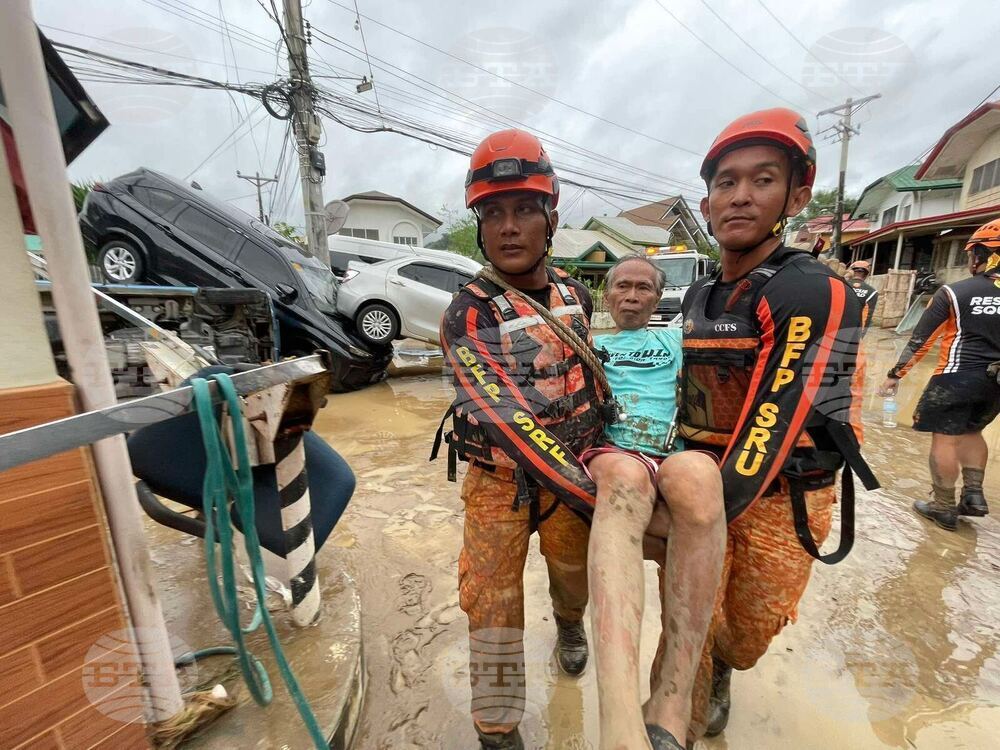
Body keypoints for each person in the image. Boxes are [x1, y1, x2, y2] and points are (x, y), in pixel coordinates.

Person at [678, 108, 879, 737]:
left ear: (795, 197)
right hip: (702, 480)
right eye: (726, 182)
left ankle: (724, 666)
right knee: (691, 621)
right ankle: (690, 698)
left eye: (762, 180)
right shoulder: (698, 296)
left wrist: (688, 510)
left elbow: (772, 425)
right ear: (707, 203)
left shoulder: (812, 291)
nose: (740, 196)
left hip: (782, 492)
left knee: (747, 633)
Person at [433, 129, 609, 750]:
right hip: (499, 484)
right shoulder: (467, 314)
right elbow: (510, 420)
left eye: (524, 210)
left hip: (576, 474)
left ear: (550, 218)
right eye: (493, 214)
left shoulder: (576, 296)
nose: (509, 228)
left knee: (572, 575)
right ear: (480, 229)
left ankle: (569, 625)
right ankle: (498, 729)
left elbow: (595, 382)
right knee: (492, 605)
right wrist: (593, 492)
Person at [582, 255, 725, 750]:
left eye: (644, 288)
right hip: (615, 455)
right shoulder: (589, 345)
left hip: (672, 452)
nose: (632, 296)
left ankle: (672, 700)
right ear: (606, 295)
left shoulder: (676, 340)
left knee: (699, 476)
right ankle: (620, 726)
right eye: (622, 286)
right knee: (626, 476)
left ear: (658, 298)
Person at [879, 219, 1000, 530]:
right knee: (973, 431)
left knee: (945, 439)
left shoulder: (954, 292)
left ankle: (943, 507)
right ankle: (973, 495)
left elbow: (921, 340)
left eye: (972, 253)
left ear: (985, 254)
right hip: (995, 385)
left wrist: (895, 374)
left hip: (955, 378)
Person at [847, 259, 879, 336]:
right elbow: (867, 316)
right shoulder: (872, 292)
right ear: (866, 274)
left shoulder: (841, 285)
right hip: (854, 331)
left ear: (852, 272)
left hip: (835, 327)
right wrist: (861, 335)